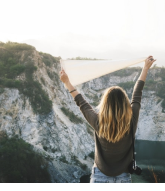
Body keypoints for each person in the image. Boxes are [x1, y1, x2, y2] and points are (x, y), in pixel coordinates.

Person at [59, 55, 156, 183]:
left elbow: (81, 103)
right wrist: (145, 68)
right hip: (124, 176)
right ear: (125, 104)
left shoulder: (98, 122)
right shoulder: (131, 121)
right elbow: (137, 94)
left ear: (105, 104)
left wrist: (67, 82)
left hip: (100, 176)